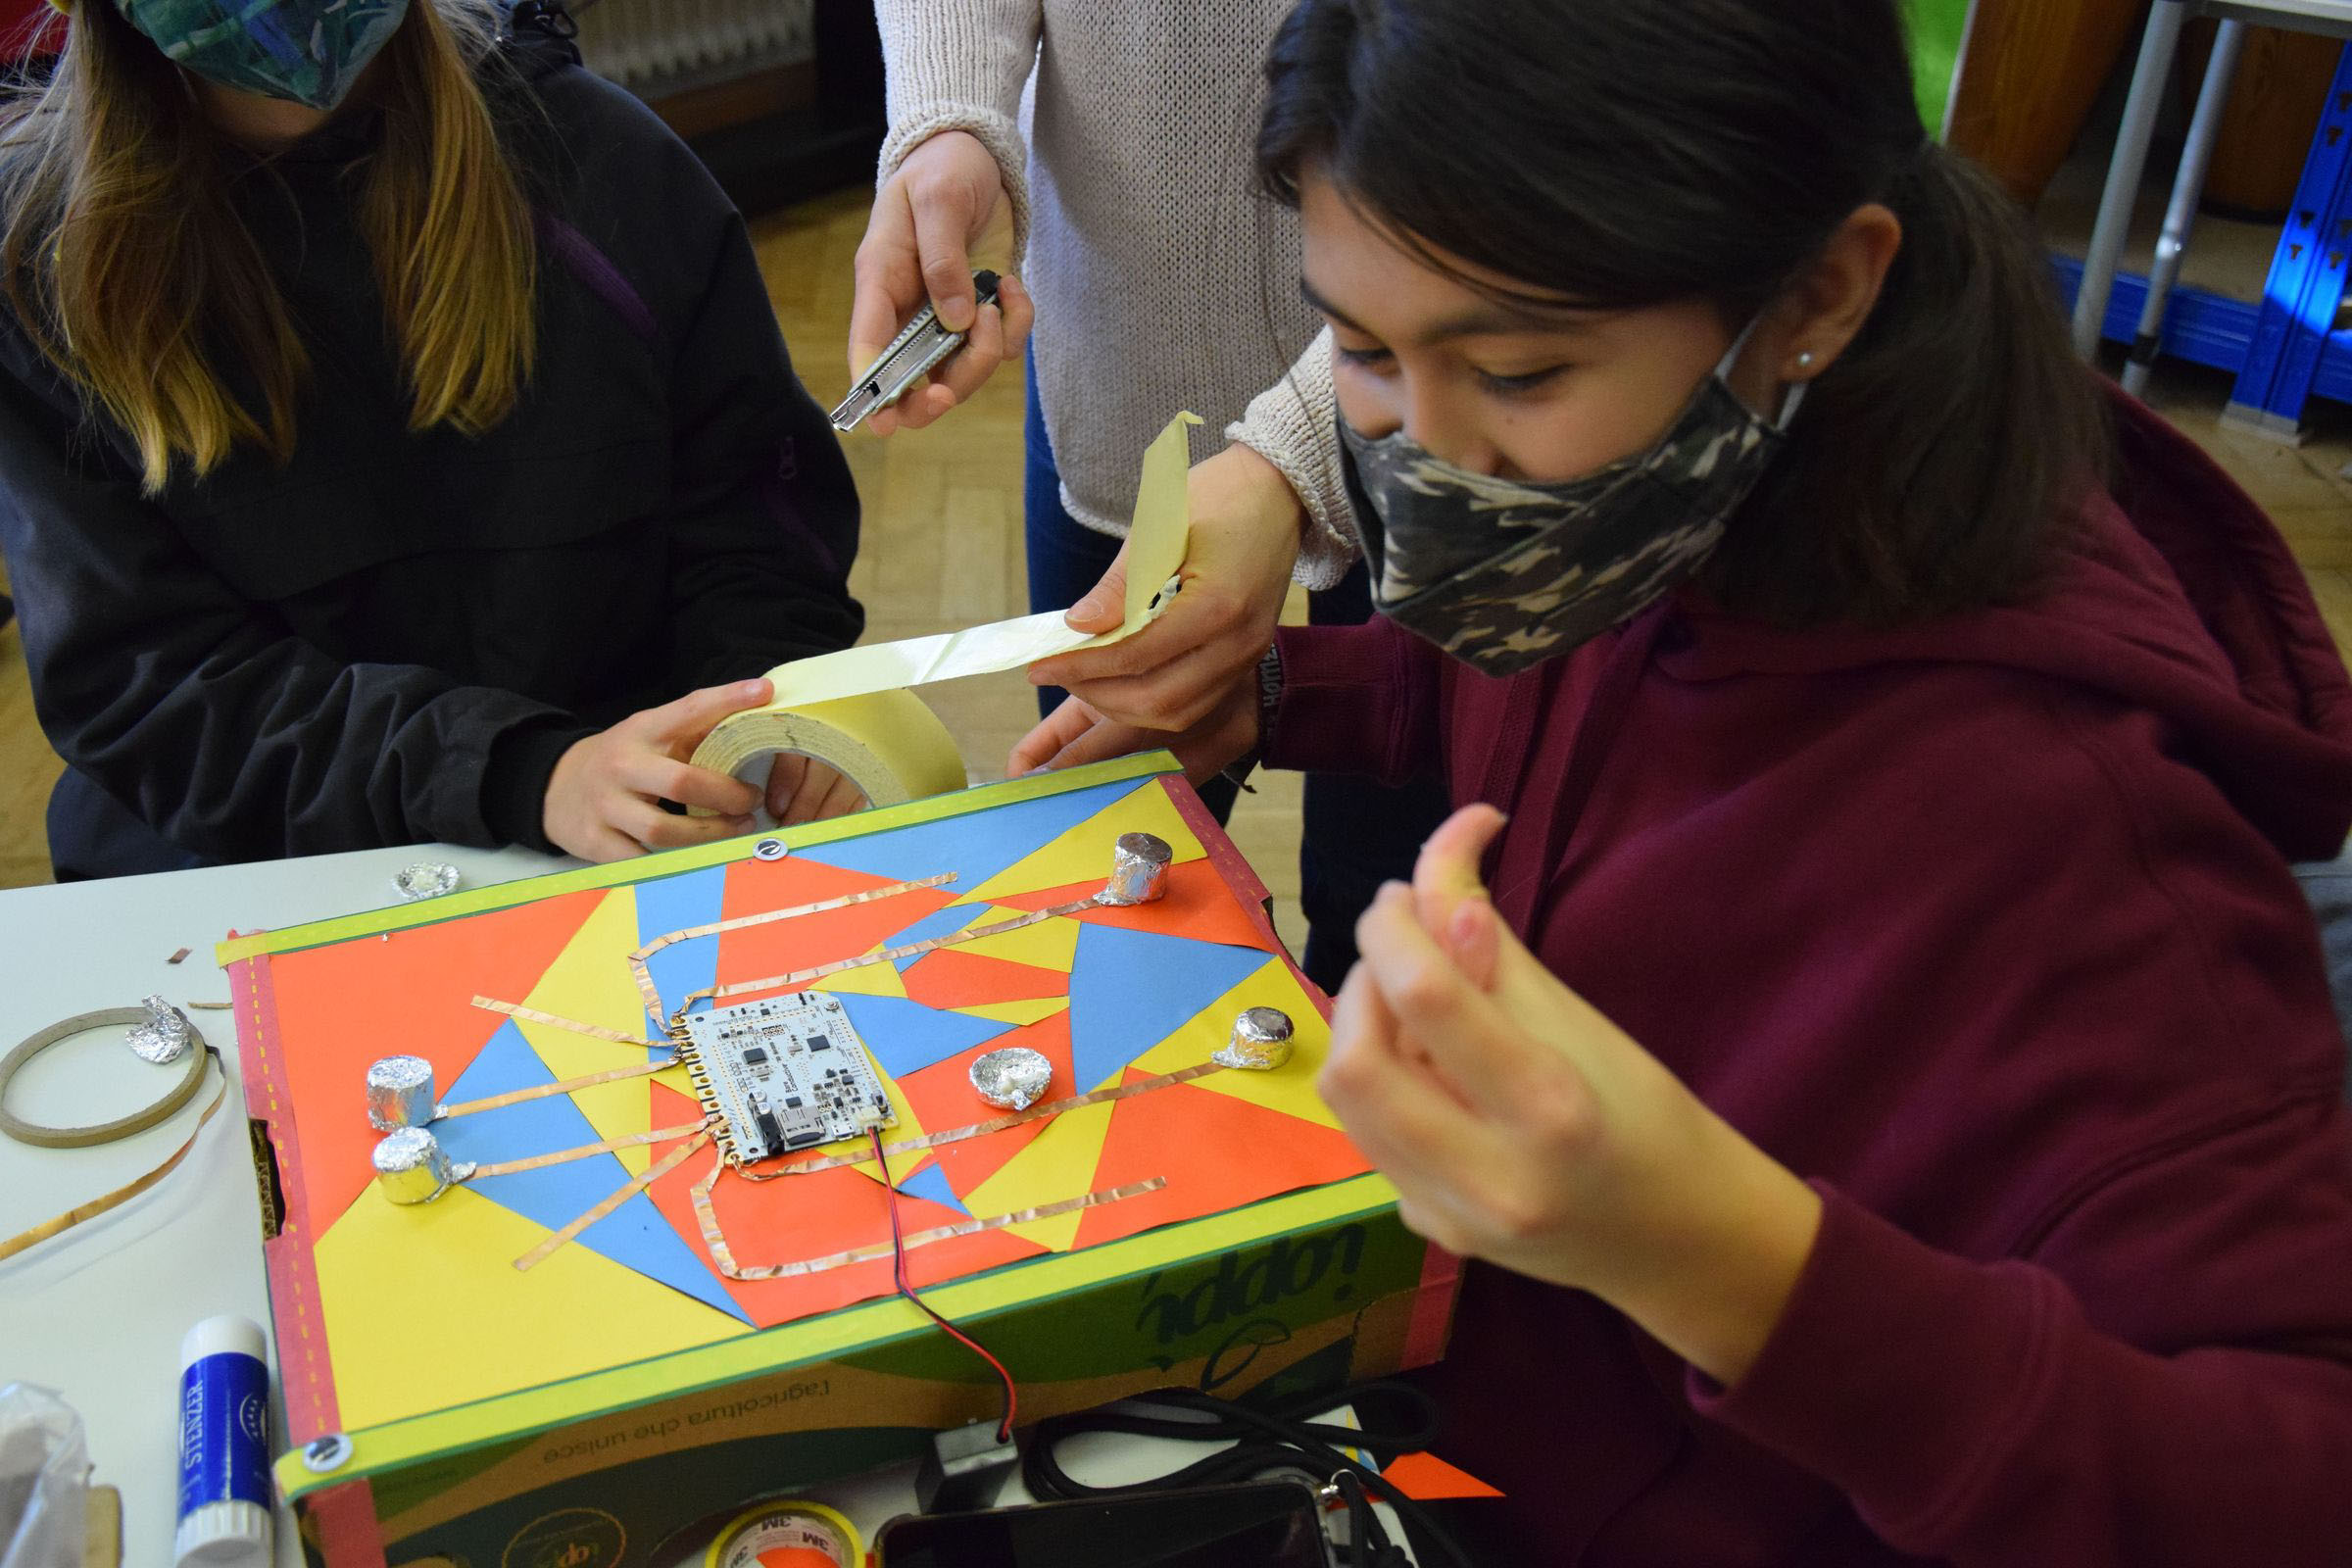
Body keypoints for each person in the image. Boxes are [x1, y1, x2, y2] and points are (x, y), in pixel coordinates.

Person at [1026, 0, 2352, 1559]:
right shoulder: (1681, 496)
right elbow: (1551, 701)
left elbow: (2295, 1484)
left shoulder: (2069, 837)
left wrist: (1722, 1259)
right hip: (1464, 1418)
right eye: (1366, 353)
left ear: (1820, 294)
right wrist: (1267, 692)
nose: (1428, 459)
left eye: (1517, 371)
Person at [0, 0, 866, 880]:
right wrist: (519, 771)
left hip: (628, 820)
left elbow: (759, 527)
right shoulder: (44, 259)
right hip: (247, 858)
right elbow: (144, 686)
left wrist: (759, 709)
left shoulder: (599, 161)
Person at [858, 0, 1447, 991]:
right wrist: (951, 114)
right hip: (1115, 347)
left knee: (1391, 900)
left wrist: (1301, 447)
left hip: (1440, 392)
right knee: (1112, 867)